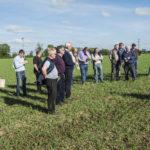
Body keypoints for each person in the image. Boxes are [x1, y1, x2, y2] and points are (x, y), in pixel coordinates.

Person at [42, 48, 58, 114]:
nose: (55, 55)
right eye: (54, 53)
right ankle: (51, 111)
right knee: (52, 95)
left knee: (52, 95)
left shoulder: (51, 60)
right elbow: (43, 69)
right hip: (50, 80)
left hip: (53, 80)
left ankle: (51, 110)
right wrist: (45, 76)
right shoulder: (48, 61)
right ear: (51, 54)